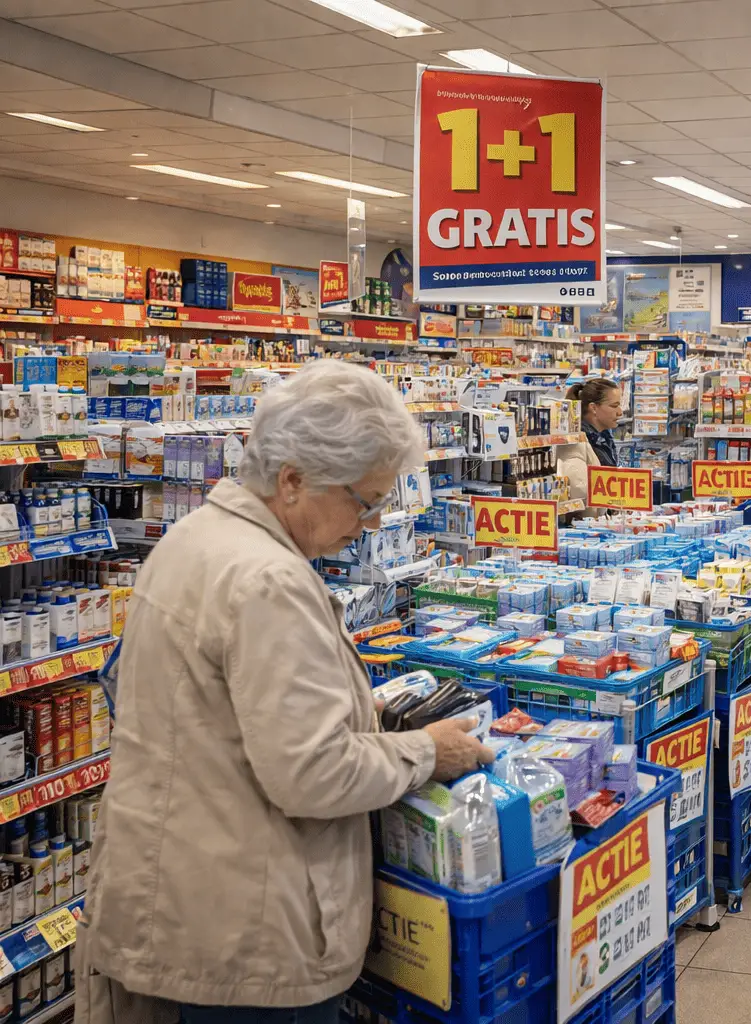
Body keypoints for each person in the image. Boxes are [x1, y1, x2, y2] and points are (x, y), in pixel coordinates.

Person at [79, 361, 495, 1024]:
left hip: (178, 905)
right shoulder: (268, 579)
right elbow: (311, 774)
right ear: (294, 481)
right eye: (365, 502)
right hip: (245, 946)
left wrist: (362, 712)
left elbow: (221, 713)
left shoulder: (196, 538)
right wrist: (424, 751)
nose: (371, 523)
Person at [556, 377, 623, 506]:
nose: (620, 412)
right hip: (587, 520)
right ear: (593, 408)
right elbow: (580, 490)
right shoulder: (577, 440)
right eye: (614, 406)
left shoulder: (604, 437)